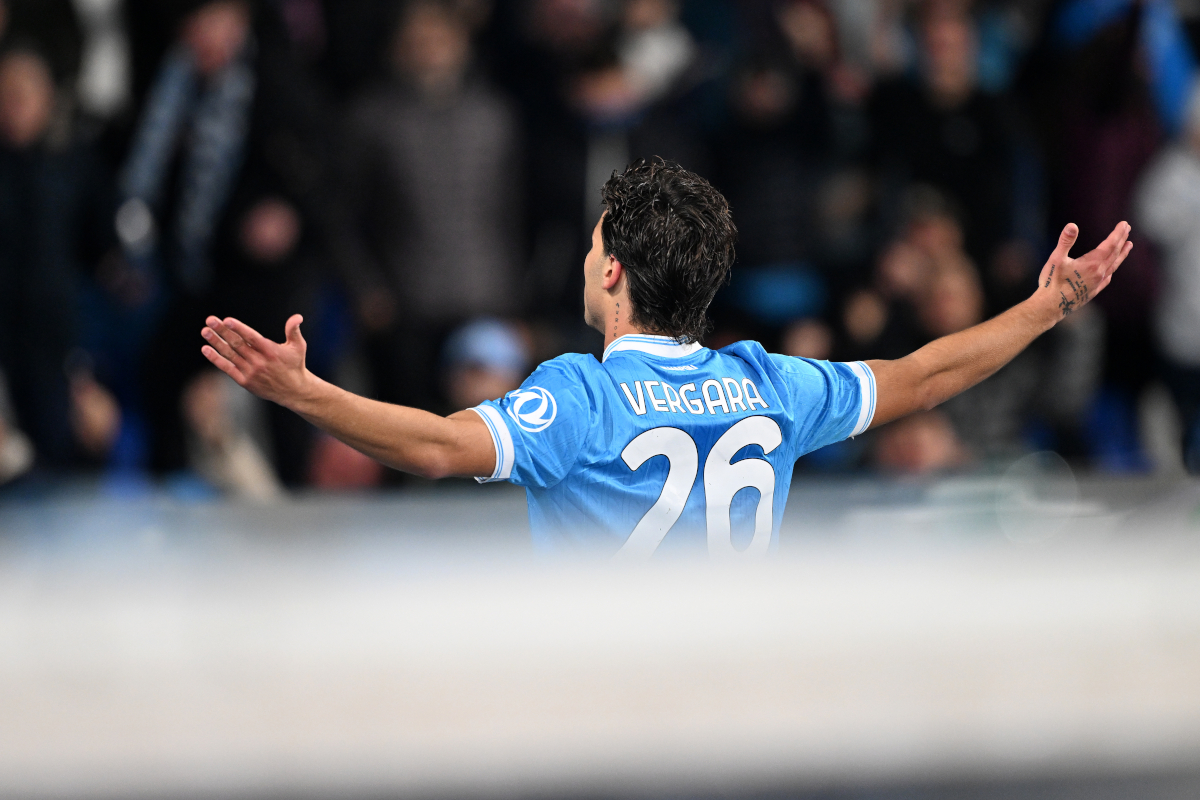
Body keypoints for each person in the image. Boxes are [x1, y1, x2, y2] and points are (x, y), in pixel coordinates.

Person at [198, 160, 1132, 558]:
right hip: (738, 717)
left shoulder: (582, 397)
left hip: (612, 720)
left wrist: (304, 391)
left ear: (611, 271)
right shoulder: (772, 386)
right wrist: (1049, 304)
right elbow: (927, 374)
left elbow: (439, 447)